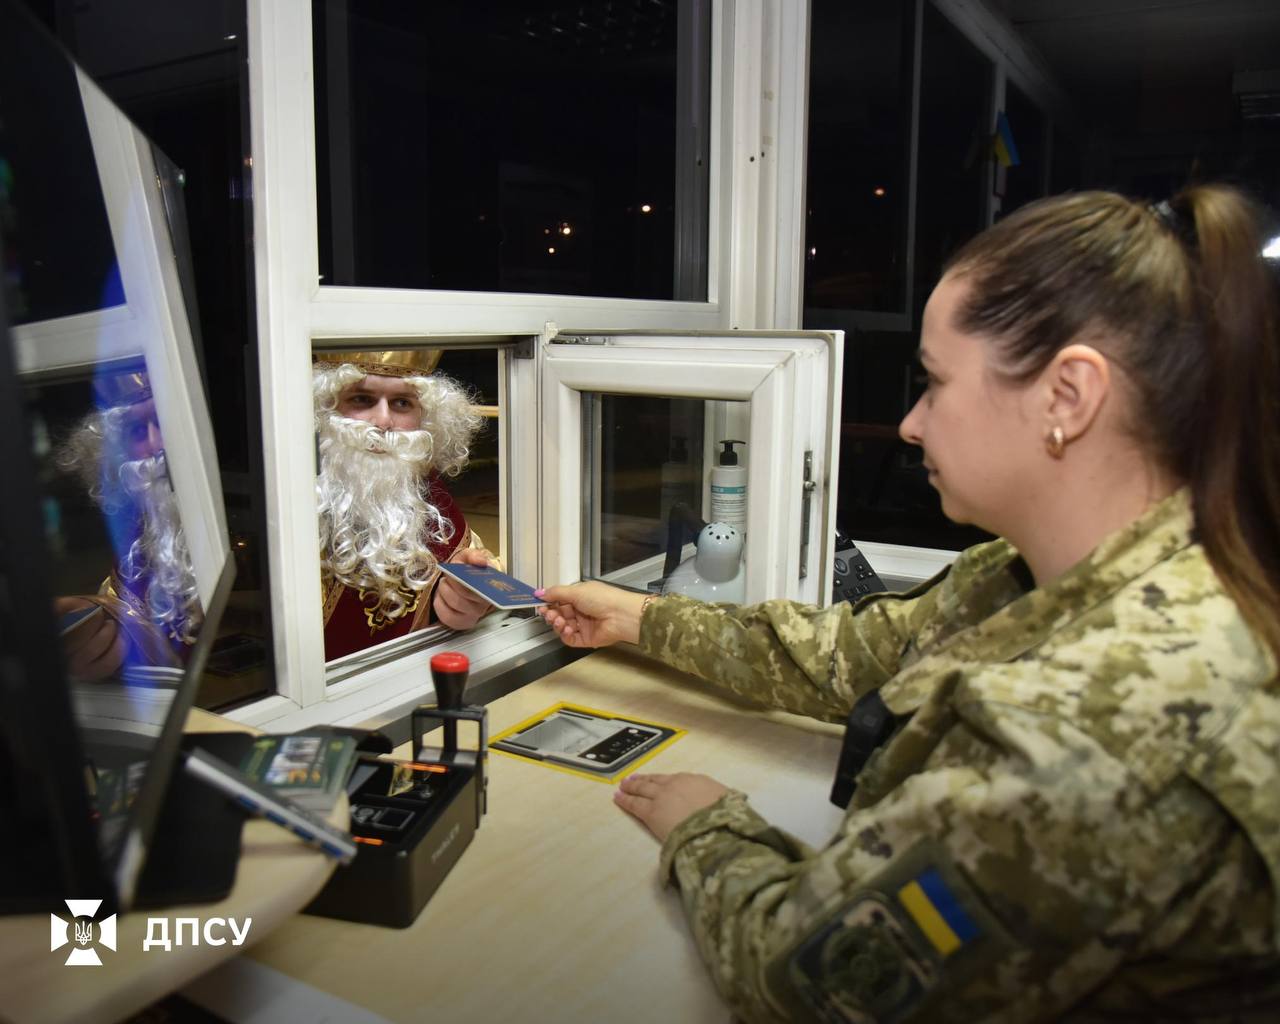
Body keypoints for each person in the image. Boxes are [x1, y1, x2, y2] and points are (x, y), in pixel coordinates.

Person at [538, 185, 1280, 1021]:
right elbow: (858, 656)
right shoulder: (1051, 572)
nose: (911, 425)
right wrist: (639, 617)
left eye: (934, 383)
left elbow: (805, 979)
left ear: (1067, 397)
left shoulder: (1089, 732)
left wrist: (708, 828)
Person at [312, 350, 496, 660]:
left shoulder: (430, 504)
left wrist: (465, 602)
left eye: (401, 403)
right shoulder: (275, 505)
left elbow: (469, 583)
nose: (383, 422)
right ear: (323, 408)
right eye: (361, 399)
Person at [54, 369, 202, 678]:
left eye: (163, 422)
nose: (155, 444)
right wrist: (97, 615)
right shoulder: (143, 534)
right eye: (136, 431)